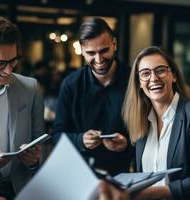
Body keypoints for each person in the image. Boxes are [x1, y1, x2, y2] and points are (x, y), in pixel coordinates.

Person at [123, 46, 190, 200]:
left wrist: (147, 194)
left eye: (160, 70)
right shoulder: (140, 120)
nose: (153, 78)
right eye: (145, 73)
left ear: (173, 75)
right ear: (139, 83)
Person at [52, 18, 132, 175]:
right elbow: (56, 136)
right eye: (91, 53)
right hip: (78, 173)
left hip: (122, 175)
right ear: (81, 50)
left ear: (114, 44)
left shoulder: (134, 81)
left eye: (104, 50)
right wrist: (80, 140)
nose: (99, 60)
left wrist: (126, 145)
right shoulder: (71, 84)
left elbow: (149, 134)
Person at [0, 17, 45, 199]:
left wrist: (34, 160)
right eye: (0, 63)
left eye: (13, 60)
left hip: (20, 191)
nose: (9, 70)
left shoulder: (31, 88)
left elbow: (40, 141)